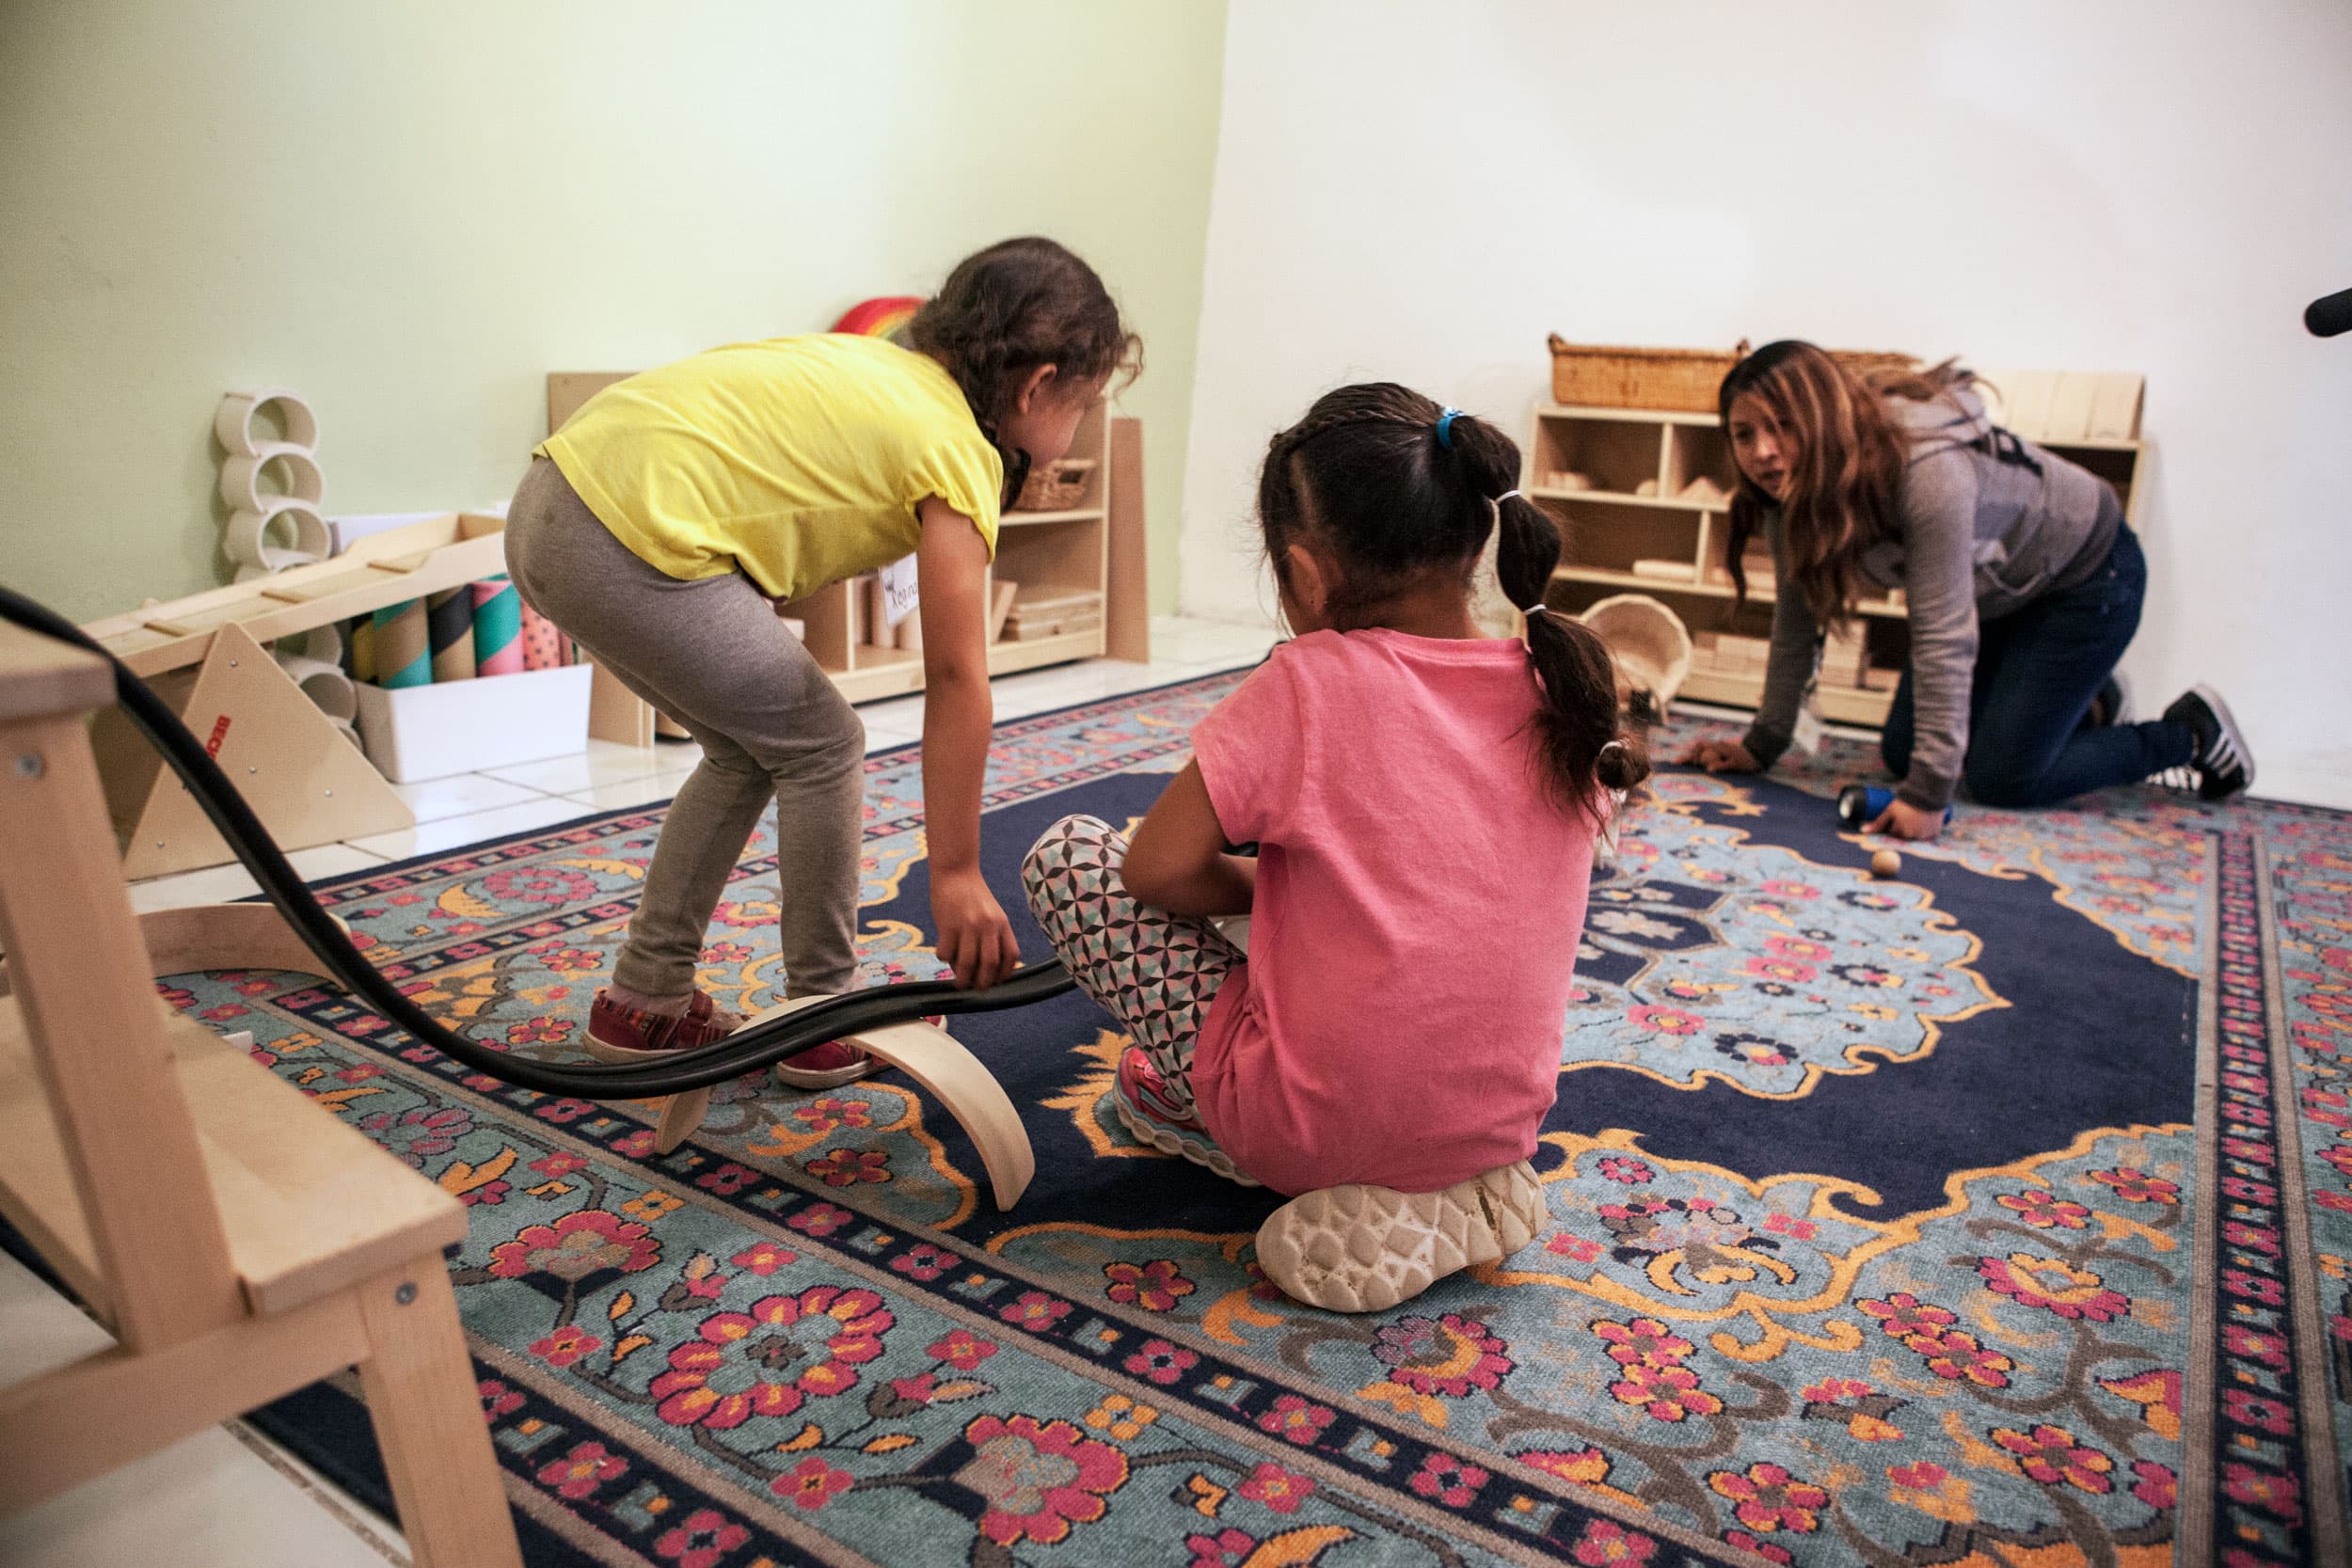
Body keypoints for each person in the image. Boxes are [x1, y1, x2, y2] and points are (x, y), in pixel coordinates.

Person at [1018, 384, 1648, 1312]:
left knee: (1073, 855)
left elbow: (1153, 868)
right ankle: (1455, 1182)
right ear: (1477, 543)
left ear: (1306, 577)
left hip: (1310, 1124)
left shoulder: (1308, 684)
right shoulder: (1563, 683)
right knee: (1320, 901)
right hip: (1500, 1117)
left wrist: (1255, 886)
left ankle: (1220, 1122)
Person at [503, 237, 1136, 1085]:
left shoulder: (880, 363)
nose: (1073, 432)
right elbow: (956, 674)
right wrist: (951, 870)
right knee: (823, 743)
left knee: (747, 748)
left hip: (552, 500)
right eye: (1081, 405)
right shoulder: (954, 445)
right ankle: (821, 1012)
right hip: (625, 532)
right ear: (1035, 386)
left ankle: (643, 999)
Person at [1678, 341, 2252, 837]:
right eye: (1743, 434)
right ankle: (2089, 704)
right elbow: (1796, 622)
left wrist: (1928, 797)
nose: (1761, 452)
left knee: (2005, 777)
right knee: (1907, 754)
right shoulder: (1787, 496)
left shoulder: (1926, 472)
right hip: (1998, 593)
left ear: (1824, 419)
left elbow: (1941, 634)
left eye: (1782, 427)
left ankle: (2190, 734)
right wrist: (1762, 743)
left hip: (2087, 579)